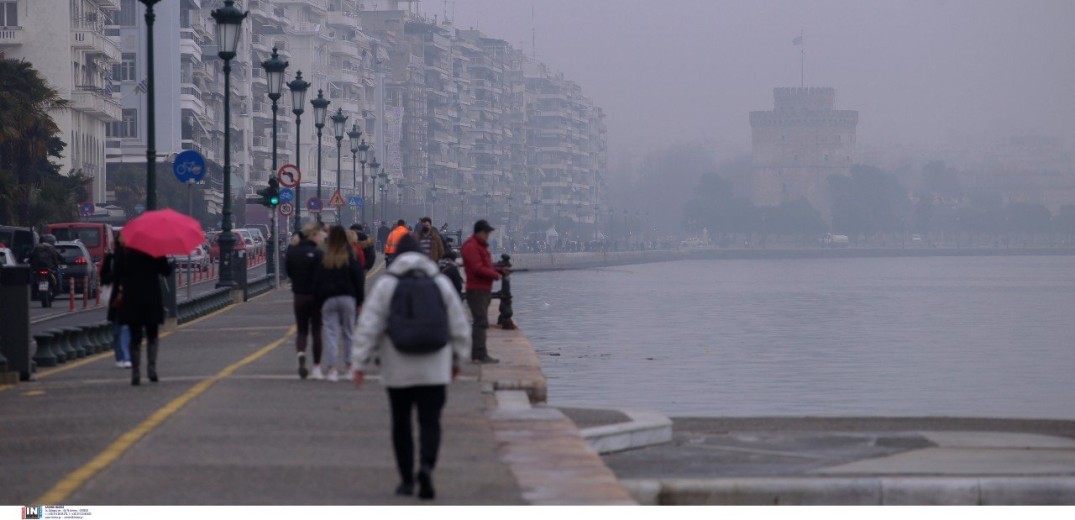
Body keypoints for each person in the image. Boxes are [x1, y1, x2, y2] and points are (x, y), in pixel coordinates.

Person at [351, 234, 471, 500]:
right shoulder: (440, 283)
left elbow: (369, 326)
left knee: (401, 424)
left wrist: (359, 363)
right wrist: (458, 360)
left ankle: (406, 480)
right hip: (435, 367)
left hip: (397, 368)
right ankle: (426, 467)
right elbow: (459, 326)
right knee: (430, 422)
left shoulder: (386, 284)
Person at [313, 226, 365, 382]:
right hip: (348, 298)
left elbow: (318, 281)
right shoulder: (350, 255)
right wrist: (360, 301)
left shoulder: (326, 256)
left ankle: (332, 369)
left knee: (330, 334)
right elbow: (358, 280)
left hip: (329, 299)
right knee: (349, 333)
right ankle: (349, 367)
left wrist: (319, 301)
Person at [115, 246, 172, 386]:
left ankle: (136, 372)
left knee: (135, 337)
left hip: (132, 298)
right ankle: (151, 370)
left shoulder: (128, 253)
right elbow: (166, 271)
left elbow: (119, 273)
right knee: (152, 335)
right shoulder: (156, 251)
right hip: (151, 298)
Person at [460, 219, 506, 364]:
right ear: (479, 232)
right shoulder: (471, 247)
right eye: (486, 232)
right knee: (480, 322)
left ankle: (480, 353)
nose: (488, 235)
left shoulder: (479, 246)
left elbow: (485, 265)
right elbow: (477, 268)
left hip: (483, 290)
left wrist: (499, 270)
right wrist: (495, 275)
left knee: (481, 322)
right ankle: (479, 355)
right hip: (477, 290)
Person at [286, 221, 324, 380]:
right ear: (313, 235)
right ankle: (316, 367)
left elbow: (288, 272)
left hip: (299, 295)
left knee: (302, 330)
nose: (322, 237)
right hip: (316, 296)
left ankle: (301, 353)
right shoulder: (318, 254)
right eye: (320, 234)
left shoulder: (293, 252)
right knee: (316, 331)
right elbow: (323, 275)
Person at [100, 232, 131, 368]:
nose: (124, 238)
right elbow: (103, 277)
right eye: (122, 236)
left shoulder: (133, 257)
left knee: (126, 328)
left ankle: (126, 356)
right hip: (116, 297)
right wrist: (114, 275)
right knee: (117, 330)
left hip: (130, 296)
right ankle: (120, 356)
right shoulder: (111, 258)